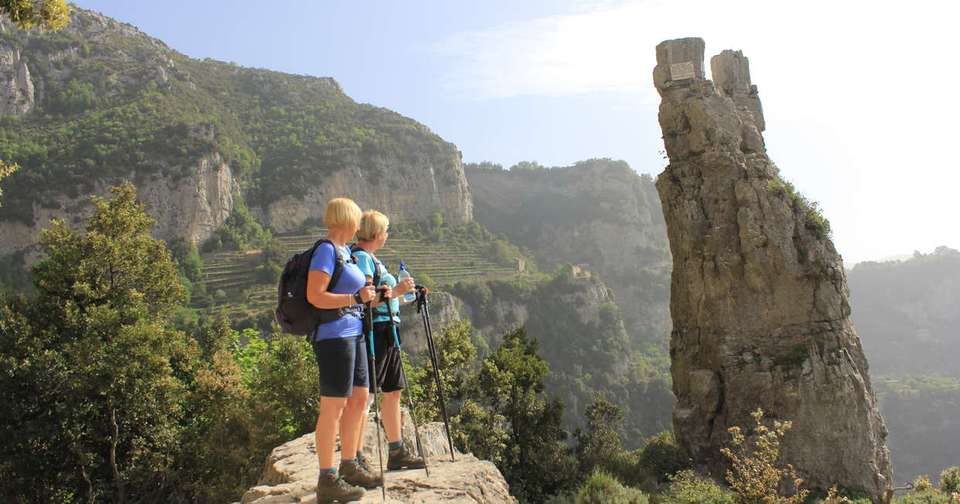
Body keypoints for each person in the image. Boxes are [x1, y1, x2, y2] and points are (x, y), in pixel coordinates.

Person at [306, 198, 381, 503]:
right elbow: (315, 296)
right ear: (347, 220)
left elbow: (355, 295)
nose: (359, 227)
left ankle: (349, 464)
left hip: (355, 333)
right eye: (357, 220)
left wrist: (369, 296)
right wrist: (353, 298)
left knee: (360, 398)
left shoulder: (346, 254)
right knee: (333, 407)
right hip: (334, 337)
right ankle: (327, 478)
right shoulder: (325, 251)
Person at [350, 210, 426, 472]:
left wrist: (410, 294)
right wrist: (399, 291)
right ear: (376, 233)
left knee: (393, 392)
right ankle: (355, 456)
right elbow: (367, 300)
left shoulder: (372, 259)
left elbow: (386, 297)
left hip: (388, 330)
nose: (387, 234)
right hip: (375, 332)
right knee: (366, 396)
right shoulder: (361, 259)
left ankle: (397, 451)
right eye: (385, 230)